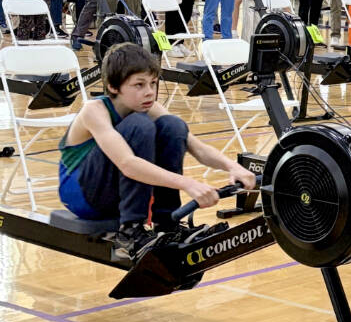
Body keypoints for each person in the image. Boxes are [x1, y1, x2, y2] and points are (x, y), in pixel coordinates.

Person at [57, 43, 256, 258]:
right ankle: (130, 230)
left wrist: (233, 167)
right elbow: (128, 164)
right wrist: (188, 183)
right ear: (114, 86)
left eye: (153, 83)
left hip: (113, 190)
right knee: (140, 125)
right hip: (82, 195)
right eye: (139, 85)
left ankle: (167, 223)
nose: (149, 92)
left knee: (173, 126)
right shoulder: (94, 110)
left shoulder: (149, 107)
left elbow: (197, 147)